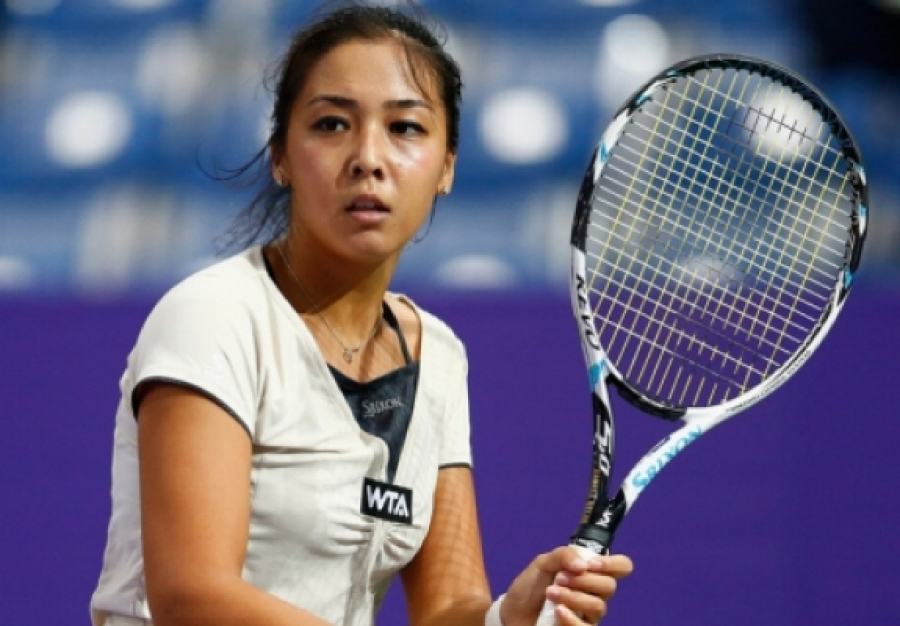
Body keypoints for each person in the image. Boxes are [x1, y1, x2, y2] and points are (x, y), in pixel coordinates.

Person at [90, 2, 633, 625]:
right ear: (280, 156)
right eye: (331, 124)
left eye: (405, 128)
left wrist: (508, 616)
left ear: (447, 167)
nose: (368, 157)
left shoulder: (438, 356)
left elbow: (446, 607)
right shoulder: (214, 317)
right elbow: (192, 596)